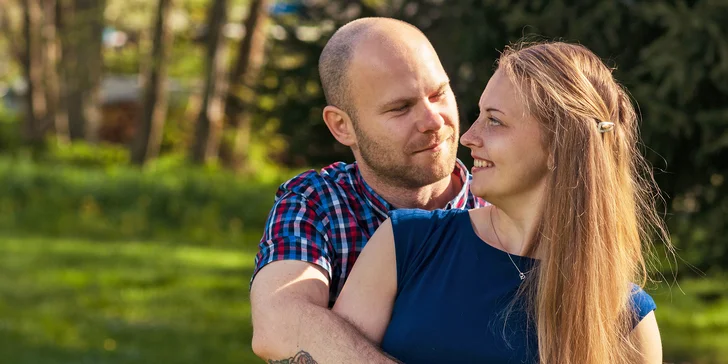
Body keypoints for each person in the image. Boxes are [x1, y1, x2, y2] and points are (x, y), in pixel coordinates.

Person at [332, 41, 670, 364]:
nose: (468, 137)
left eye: (494, 120)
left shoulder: (625, 317)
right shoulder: (403, 243)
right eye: (479, 116)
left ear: (559, 145)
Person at [249, 17, 486, 363]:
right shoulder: (317, 204)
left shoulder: (502, 201)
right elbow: (279, 321)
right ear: (342, 126)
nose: (433, 120)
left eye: (438, 94)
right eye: (401, 108)